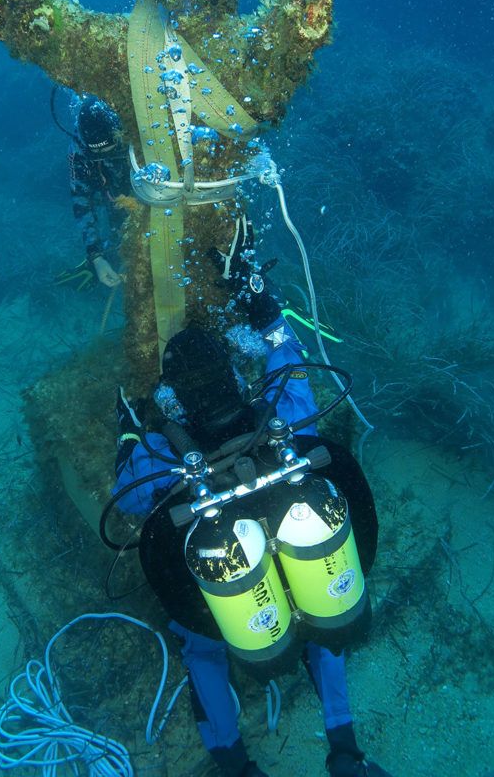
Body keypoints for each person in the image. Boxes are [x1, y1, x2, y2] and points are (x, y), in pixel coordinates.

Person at [110, 217, 394, 777]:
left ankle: (234, 764)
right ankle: (344, 749)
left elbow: (129, 497)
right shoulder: (282, 414)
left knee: (204, 648)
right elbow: (287, 350)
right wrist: (258, 301)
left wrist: (130, 425)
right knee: (315, 620)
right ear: (234, 376)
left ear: (174, 396)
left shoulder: (164, 458)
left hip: (231, 589)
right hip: (297, 560)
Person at [56, 91, 130, 289]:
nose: (105, 156)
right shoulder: (78, 150)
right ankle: (94, 267)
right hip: (112, 190)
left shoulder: (129, 126)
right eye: (96, 154)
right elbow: (81, 202)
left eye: (111, 151)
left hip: (139, 176)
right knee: (121, 233)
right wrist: (95, 256)